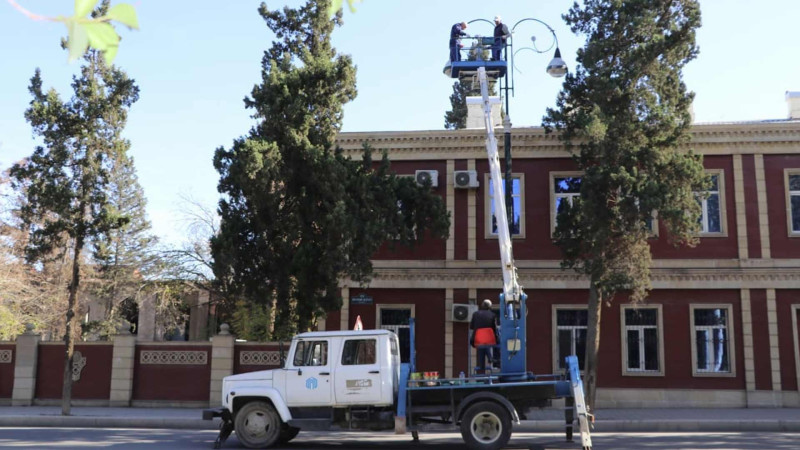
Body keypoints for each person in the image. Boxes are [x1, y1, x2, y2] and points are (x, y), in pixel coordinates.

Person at [470, 299, 498, 372]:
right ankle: (491, 358)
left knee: (481, 347)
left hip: (478, 339)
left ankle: (481, 367)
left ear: (482, 305)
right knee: (488, 343)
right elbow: (494, 328)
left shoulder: (475, 314)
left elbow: (471, 327)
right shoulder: (493, 315)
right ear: (490, 307)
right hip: (489, 339)